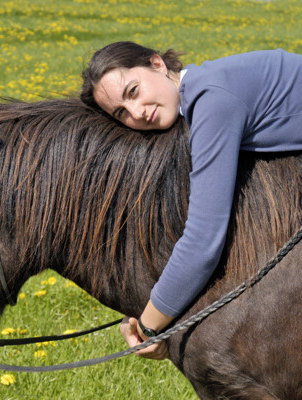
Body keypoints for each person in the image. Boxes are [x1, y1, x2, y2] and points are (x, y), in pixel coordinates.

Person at [80, 41, 302, 360]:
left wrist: (150, 327)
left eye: (133, 91)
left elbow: (203, 241)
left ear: (157, 64)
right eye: (121, 113)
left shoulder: (212, 99)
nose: (137, 112)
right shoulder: (203, 86)